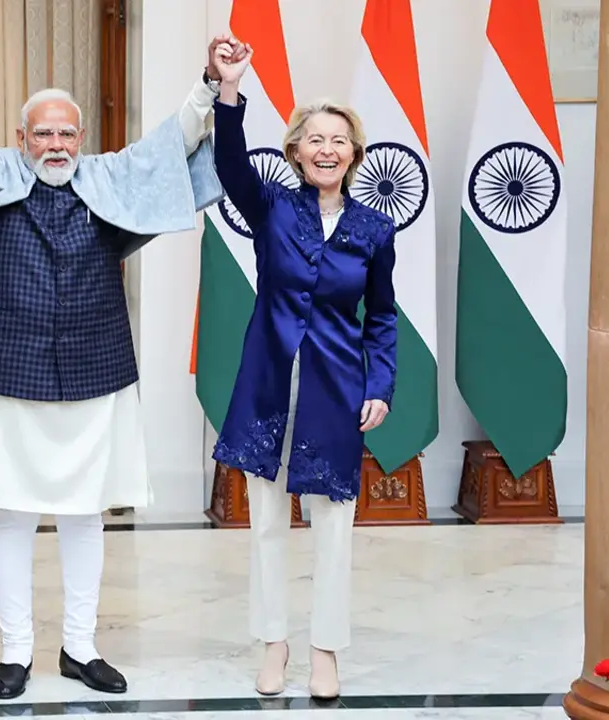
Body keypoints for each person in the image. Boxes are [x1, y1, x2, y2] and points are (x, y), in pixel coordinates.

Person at [0, 17, 227, 699]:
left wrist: (210, 87)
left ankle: (80, 648)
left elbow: (168, 147)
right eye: (41, 133)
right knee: (12, 513)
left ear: (80, 139)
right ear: (22, 140)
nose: (54, 144)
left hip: (95, 372)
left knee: (87, 514)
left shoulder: (110, 179)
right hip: (4, 374)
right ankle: (16, 652)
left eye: (65, 133)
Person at [207, 38, 397, 700]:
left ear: (353, 154)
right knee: (264, 521)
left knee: (334, 528)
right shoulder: (273, 210)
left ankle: (324, 651)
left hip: (338, 388)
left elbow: (382, 318)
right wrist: (228, 91)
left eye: (338, 140)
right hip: (267, 384)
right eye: (314, 138)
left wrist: (381, 386)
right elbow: (230, 165)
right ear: (295, 151)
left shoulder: (374, 230)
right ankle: (274, 643)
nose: (326, 148)